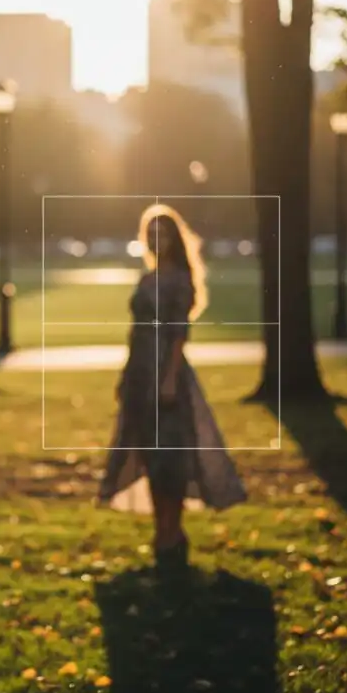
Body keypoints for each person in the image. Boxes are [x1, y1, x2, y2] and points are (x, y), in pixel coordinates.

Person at [97, 203, 246, 574]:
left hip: (167, 374)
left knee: (170, 459)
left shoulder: (179, 280)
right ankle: (161, 531)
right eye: (150, 234)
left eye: (162, 234)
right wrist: (126, 377)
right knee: (148, 454)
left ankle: (172, 532)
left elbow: (179, 334)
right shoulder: (148, 278)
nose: (155, 240)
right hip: (139, 373)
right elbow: (136, 333)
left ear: (174, 239)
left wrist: (168, 379)